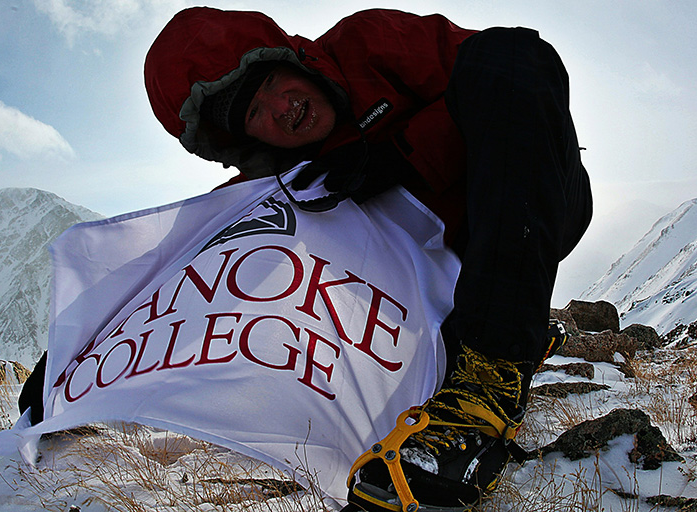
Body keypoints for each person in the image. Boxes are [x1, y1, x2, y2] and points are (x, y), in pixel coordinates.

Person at [143, 7, 593, 511]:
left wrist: (403, 154)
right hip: (437, 283)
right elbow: (199, 249)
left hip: (541, 203)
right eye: (253, 112)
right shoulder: (277, 180)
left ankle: (490, 381)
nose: (281, 106)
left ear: (294, 59)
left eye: (271, 80)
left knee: (509, 49)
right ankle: (492, 335)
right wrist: (85, 347)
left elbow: (511, 73)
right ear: (247, 139)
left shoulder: (371, 42)